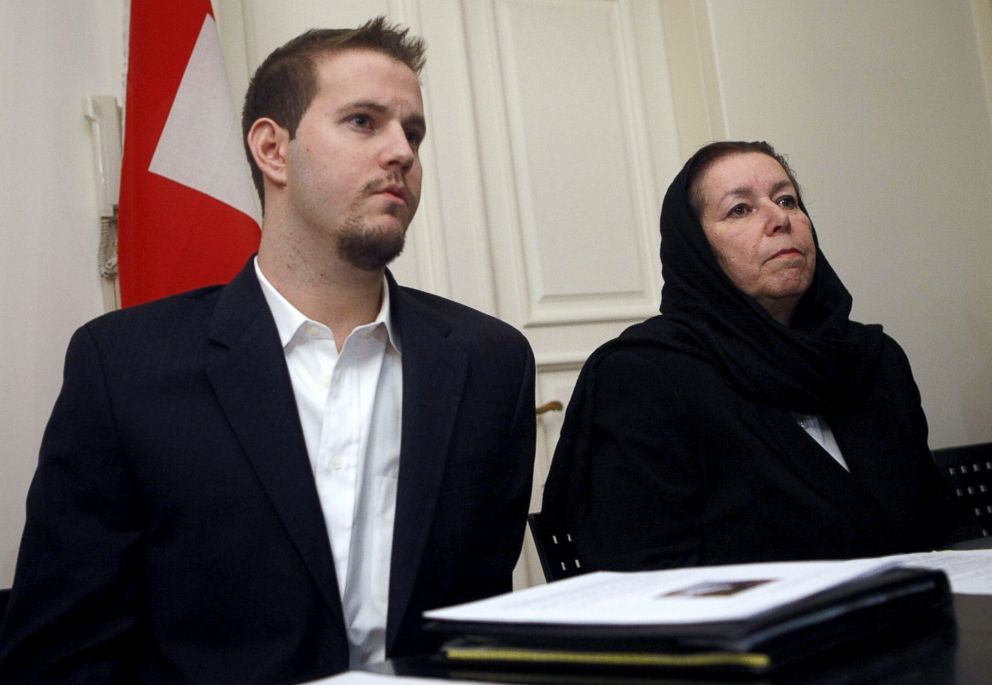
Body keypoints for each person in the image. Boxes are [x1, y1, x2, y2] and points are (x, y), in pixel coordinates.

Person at [0, 17, 535, 683]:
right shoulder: (126, 368)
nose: (402, 150)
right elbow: (59, 655)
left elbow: (481, 629)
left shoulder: (490, 363)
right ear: (272, 150)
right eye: (364, 122)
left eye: (414, 132)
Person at [542, 140, 964, 571]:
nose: (779, 218)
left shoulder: (874, 361)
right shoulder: (644, 375)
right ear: (697, 249)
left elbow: (939, 529)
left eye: (787, 200)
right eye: (740, 209)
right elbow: (641, 578)